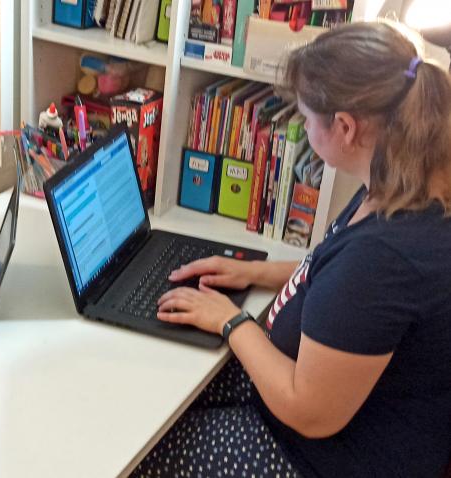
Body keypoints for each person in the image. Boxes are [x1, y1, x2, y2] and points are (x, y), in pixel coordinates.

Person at [134, 21, 451, 478]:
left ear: (344, 127)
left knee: (144, 452)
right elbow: (336, 281)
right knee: (163, 385)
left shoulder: (384, 259)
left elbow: (309, 411)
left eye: (306, 117)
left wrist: (230, 320)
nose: (301, 126)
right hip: (318, 417)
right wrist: (252, 273)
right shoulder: (403, 185)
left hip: (318, 457)